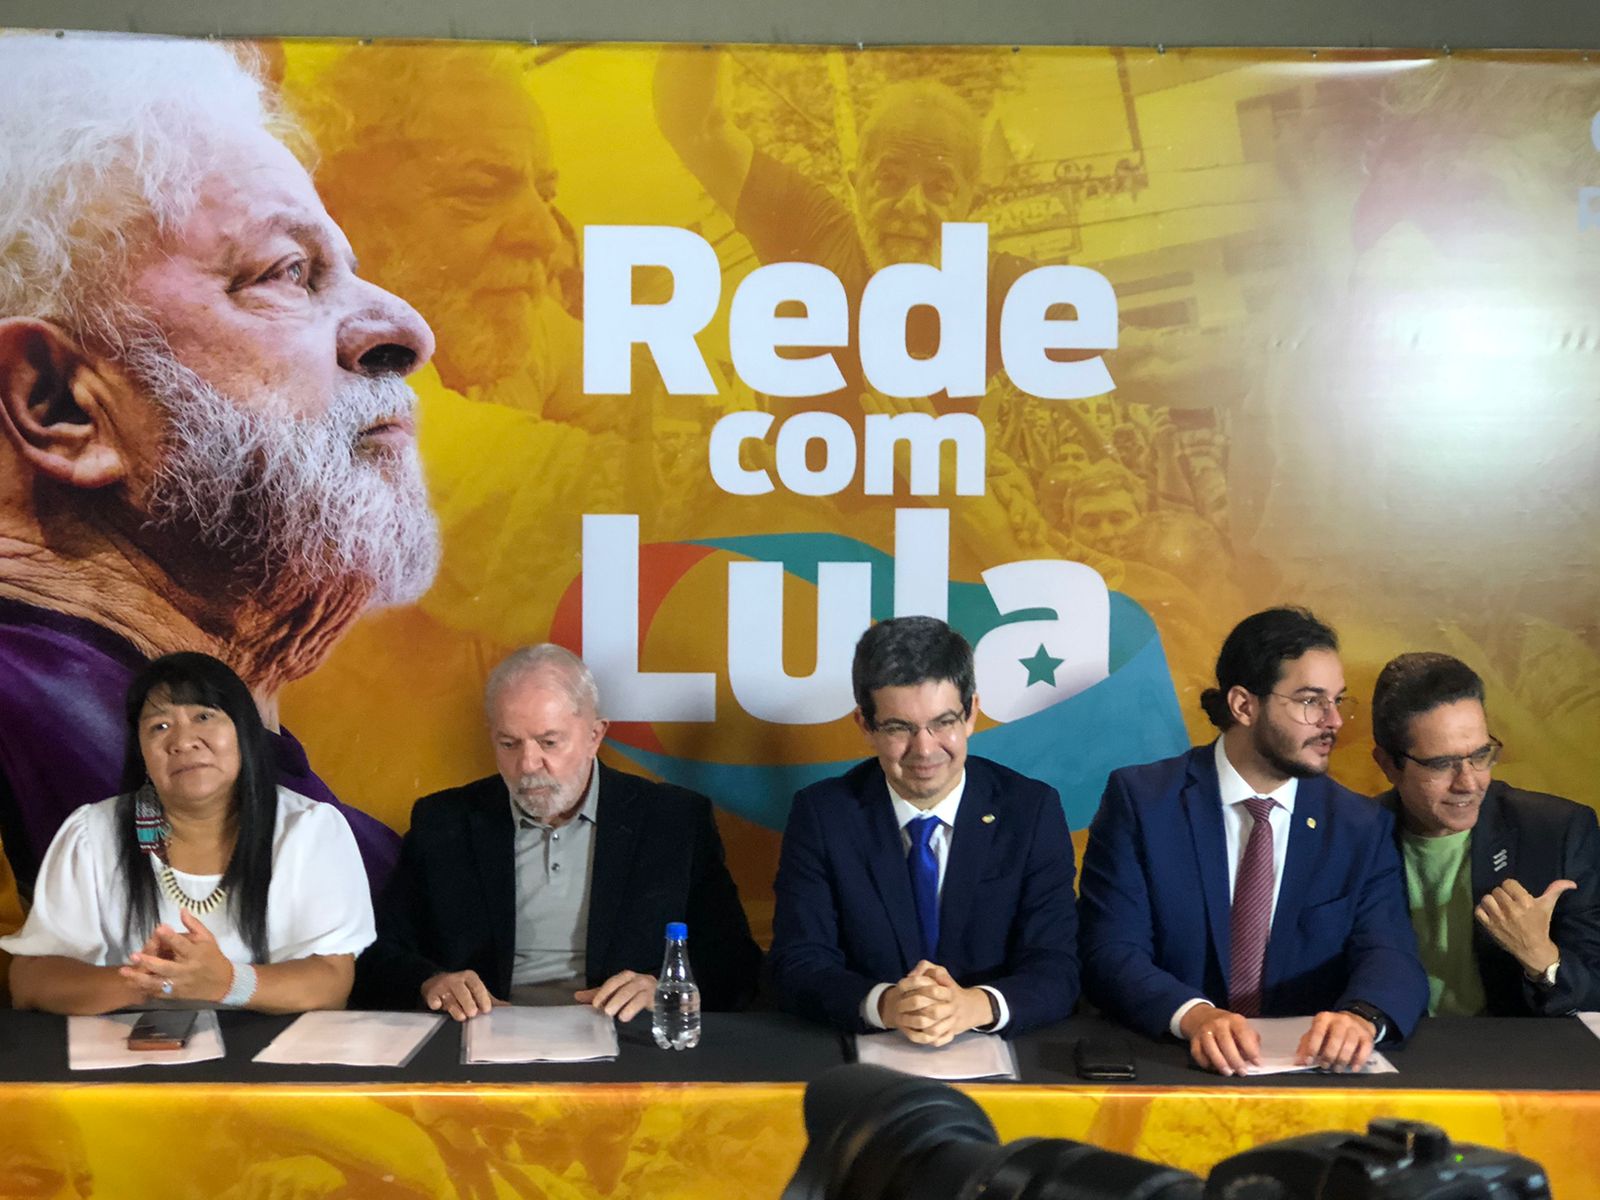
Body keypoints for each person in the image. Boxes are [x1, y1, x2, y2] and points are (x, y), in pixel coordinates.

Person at [0, 34, 439, 897]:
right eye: (287, 273)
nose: (406, 329)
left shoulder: (177, 738)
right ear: (56, 403)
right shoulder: (46, 746)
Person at [1078, 607, 1426, 1074]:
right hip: (1170, 1062)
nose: (1334, 722)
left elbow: (1392, 957)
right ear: (1243, 706)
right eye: (1310, 701)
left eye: (1338, 701)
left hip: (1309, 1076)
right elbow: (1109, 951)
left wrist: (1361, 1018)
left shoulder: (1359, 825)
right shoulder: (1143, 802)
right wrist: (1196, 1017)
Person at [354, 645, 761, 1021]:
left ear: (594, 736)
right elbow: (378, 954)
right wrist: (431, 982)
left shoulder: (673, 821)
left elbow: (735, 961)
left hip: (627, 1039)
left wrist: (664, 989)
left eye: (549, 742)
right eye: (509, 743)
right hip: (482, 1039)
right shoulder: (444, 822)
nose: (529, 764)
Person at [2, 653, 374, 1014]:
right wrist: (149, 980)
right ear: (143, 754)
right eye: (159, 726)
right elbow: (32, 980)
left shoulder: (309, 829)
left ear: (243, 733)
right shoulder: (92, 834)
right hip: (129, 1065)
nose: (183, 740)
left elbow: (331, 981)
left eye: (203, 716)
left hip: (276, 1067)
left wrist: (228, 983)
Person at [769, 616, 1079, 1042]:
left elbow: (1057, 966)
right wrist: (885, 1004)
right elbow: (798, 962)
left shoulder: (1031, 811)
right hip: (862, 1059)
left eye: (943, 722)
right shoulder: (823, 815)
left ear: (971, 714)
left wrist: (975, 1005)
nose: (925, 748)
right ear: (866, 726)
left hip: (1000, 1055)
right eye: (900, 728)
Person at [1371, 652, 1600, 1016]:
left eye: (1480, 755)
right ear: (1388, 766)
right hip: (1389, 1049)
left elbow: (1595, 992)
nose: (1469, 782)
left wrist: (1541, 956)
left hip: (1511, 1059)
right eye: (1442, 764)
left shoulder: (1558, 832)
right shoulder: (1352, 836)